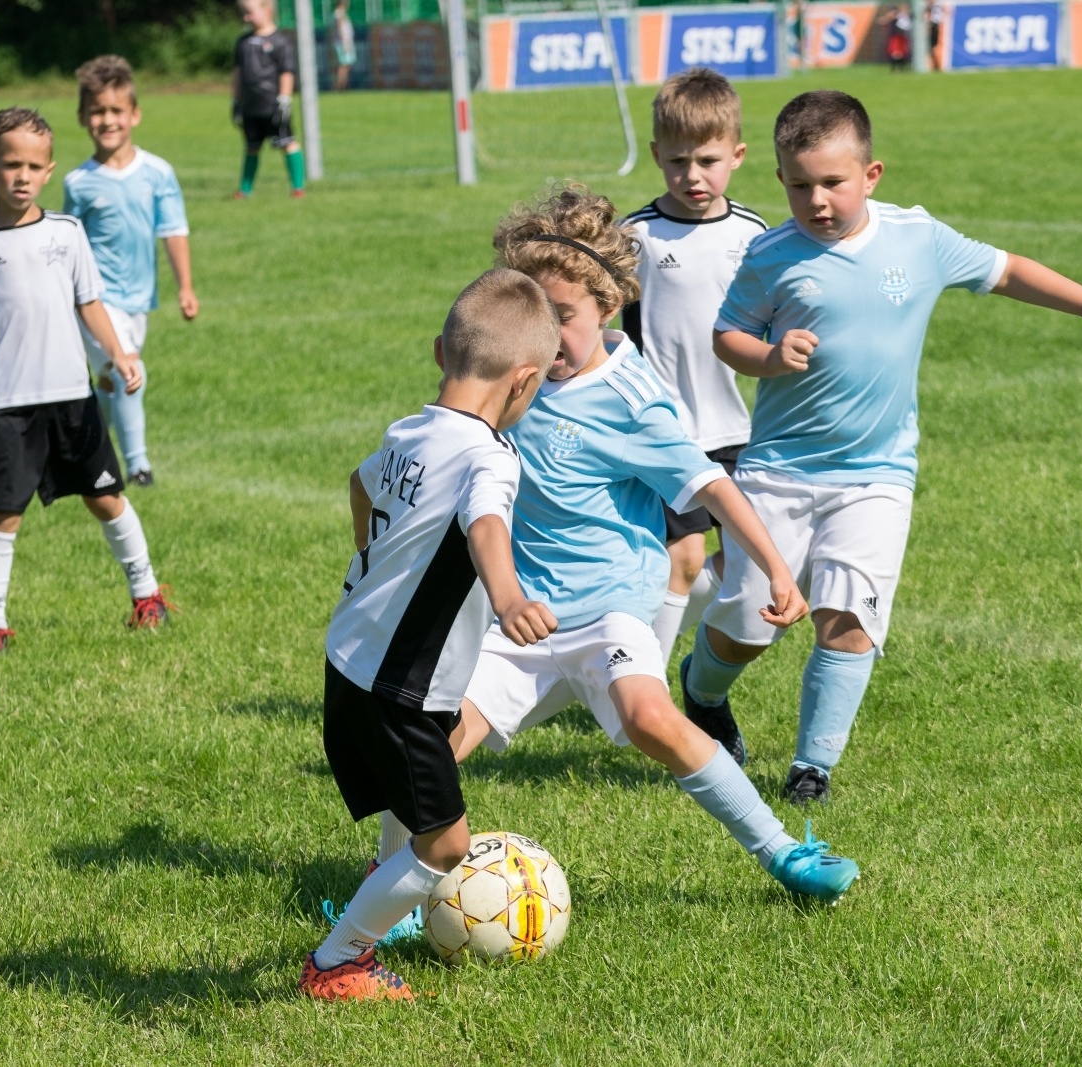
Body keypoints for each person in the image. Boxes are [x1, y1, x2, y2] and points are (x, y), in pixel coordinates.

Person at [375, 186, 860, 910]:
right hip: (518, 616)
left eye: (563, 318)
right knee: (431, 746)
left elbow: (713, 489)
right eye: (533, 318)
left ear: (606, 307)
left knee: (650, 717)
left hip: (608, 611)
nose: (546, 339)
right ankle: (389, 900)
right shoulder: (514, 381)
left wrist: (776, 568)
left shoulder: (633, 398)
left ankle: (786, 852)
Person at [693, 90, 1082, 805]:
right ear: (780, 180)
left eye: (832, 183)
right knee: (750, 622)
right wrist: (770, 357)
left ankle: (812, 768)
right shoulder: (771, 255)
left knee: (849, 619)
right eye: (798, 184)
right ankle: (703, 691)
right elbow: (727, 337)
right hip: (779, 473)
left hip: (878, 474)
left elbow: (1004, 269)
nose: (816, 199)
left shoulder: (918, 238)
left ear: (871, 175)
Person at [301, 269, 561, 1001]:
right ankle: (338, 961)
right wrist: (508, 595)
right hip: (400, 688)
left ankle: (391, 906)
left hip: (354, 656)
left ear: (440, 350)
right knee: (445, 842)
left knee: (407, 803)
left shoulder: (410, 429)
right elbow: (485, 522)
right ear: (525, 380)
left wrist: (364, 556)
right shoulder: (491, 455)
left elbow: (360, 483)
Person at [0, 108, 173, 653]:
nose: (22, 176)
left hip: (73, 397)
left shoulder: (67, 232)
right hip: (7, 403)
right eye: (10, 163)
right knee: (3, 513)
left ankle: (147, 593)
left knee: (106, 497)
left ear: (50, 169)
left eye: (34, 166)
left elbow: (90, 302)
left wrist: (120, 352)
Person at [621, 69, 769, 710]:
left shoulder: (754, 234)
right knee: (682, 560)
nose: (692, 175)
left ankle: (642, 662)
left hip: (738, 430)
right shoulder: (636, 237)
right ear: (656, 155)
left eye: (708, 160)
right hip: (665, 430)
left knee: (747, 570)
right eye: (677, 161)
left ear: (736, 155)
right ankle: (641, 700)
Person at [63, 55, 198, 488]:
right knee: (130, 372)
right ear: (83, 117)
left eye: (116, 110)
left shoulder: (157, 173)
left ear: (134, 114)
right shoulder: (78, 182)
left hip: (139, 298)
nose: (107, 120)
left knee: (110, 379)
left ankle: (77, 450)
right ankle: (137, 465)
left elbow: (173, 230)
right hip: (94, 299)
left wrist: (186, 287)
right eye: (97, 111)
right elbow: (68, 246)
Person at [231, 0, 306, 199]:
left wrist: (285, 98)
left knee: (288, 142)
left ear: (268, 11)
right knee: (251, 146)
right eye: (244, 13)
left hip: (273, 105)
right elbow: (238, 73)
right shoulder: (243, 42)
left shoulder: (280, 41)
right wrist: (236, 100)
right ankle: (245, 190)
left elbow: (286, 72)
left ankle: (298, 187)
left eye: (250, 13)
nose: (246, 17)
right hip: (250, 106)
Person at [329, 0, 356, 92]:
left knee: (344, 65)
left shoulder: (340, 13)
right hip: (342, 43)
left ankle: (341, 86)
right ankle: (339, 86)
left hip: (342, 42)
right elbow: (340, 28)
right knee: (343, 65)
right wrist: (345, 43)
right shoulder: (339, 13)